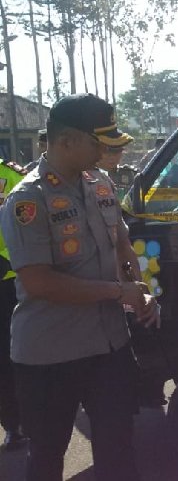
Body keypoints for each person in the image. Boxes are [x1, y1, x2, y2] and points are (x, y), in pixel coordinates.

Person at [0, 93, 159, 481]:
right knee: (48, 457)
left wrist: (138, 286)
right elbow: (38, 282)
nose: (105, 150)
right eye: (97, 141)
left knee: (119, 449)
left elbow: (120, 242)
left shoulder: (100, 183)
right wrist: (116, 292)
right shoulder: (28, 199)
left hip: (108, 347)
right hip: (51, 354)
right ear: (66, 140)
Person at [0, 159, 27, 452]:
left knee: (21, 354)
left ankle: (32, 418)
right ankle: (12, 424)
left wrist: (8, 259)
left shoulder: (13, 177)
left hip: (14, 281)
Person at [96, 131, 137, 202]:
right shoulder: (85, 177)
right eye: (106, 152)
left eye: (117, 151)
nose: (112, 157)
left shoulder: (130, 175)